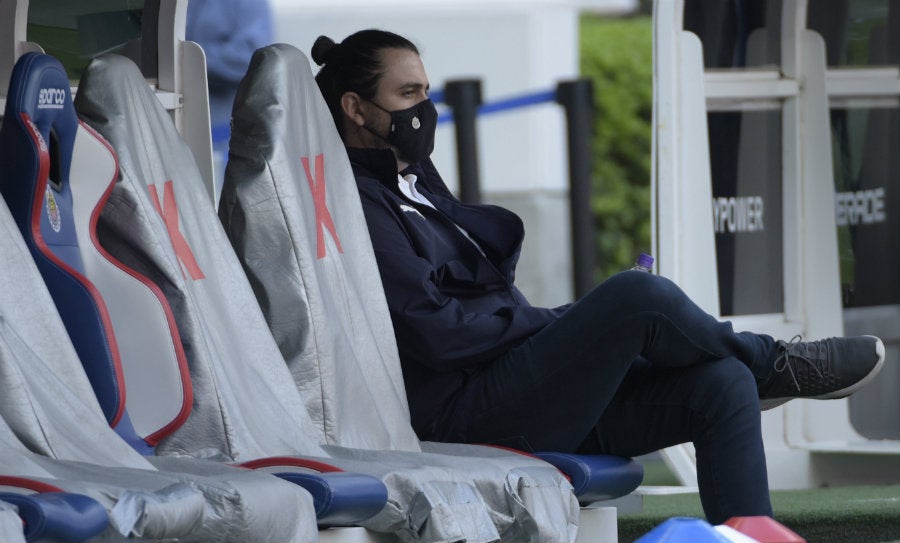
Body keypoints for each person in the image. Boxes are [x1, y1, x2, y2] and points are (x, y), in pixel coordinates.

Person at [309, 29, 885, 525]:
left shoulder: (413, 179)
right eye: (408, 94)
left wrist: (554, 328)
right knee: (638, 295)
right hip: (463, 415)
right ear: (356, 108)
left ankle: (749, 522)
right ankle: (778, 363)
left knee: (722, 383)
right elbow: (437, 334)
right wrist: (553, 323)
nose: (424, 109)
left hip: (514, 392)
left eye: (427, 93)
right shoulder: (357, 200)